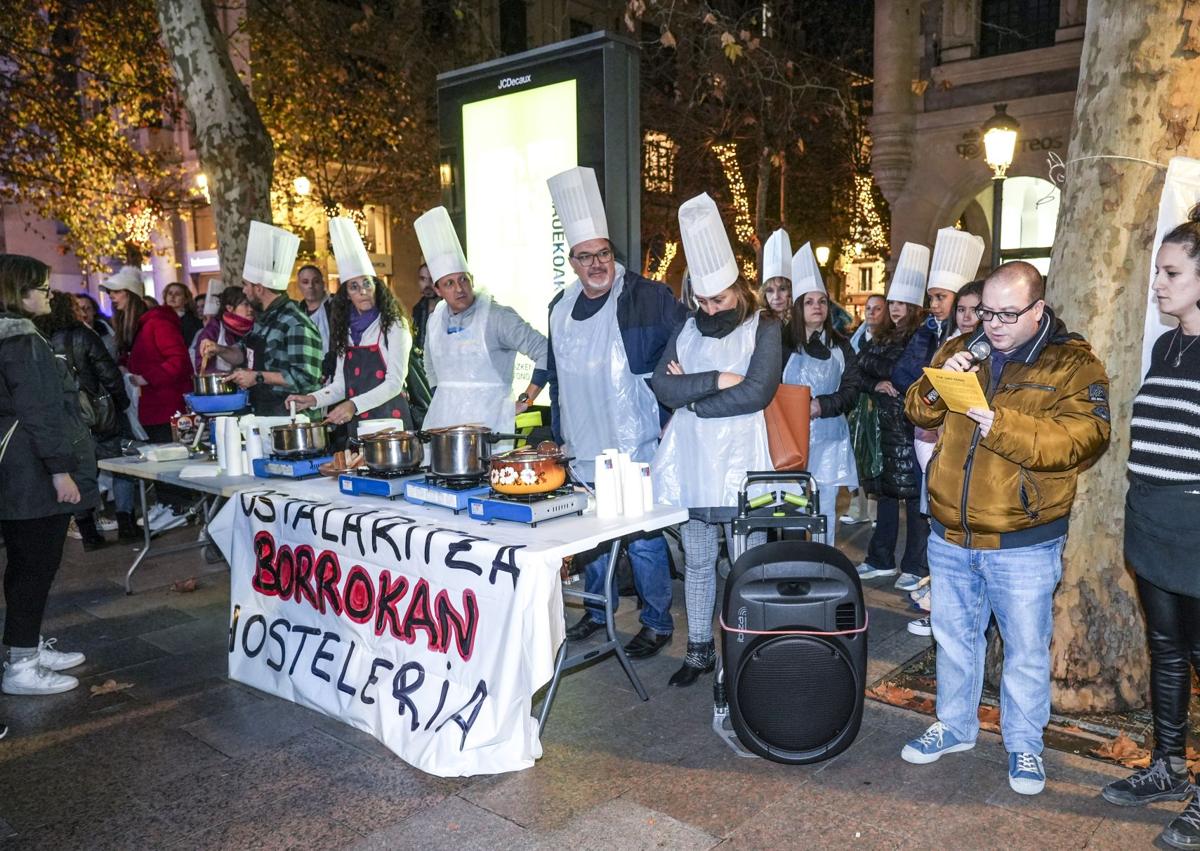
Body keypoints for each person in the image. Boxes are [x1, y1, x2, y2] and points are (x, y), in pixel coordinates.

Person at [899, 261, 1111, 797]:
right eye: (987, 312)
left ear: (1038, 309)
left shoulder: (1072, 365)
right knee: (953, 639)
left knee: (1023, 650)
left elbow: (1084, 440)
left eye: (1007, 314)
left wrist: (1001, 422)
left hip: (1023, 538)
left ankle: (1023, 745)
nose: (992, 324)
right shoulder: (961, 348)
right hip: (950, 531)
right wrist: (940, 380)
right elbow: (917, 411)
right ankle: (955, 725)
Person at [546, 165, 686, 659]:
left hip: (633, 441)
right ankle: (596, 610)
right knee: (592, 537)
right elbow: (558, 377)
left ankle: (656, 621)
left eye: (604, 254)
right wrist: (557, 432)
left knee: (642, 539)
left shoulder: (647, 296)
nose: (597, 263)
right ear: (573, 261)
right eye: (586, 257)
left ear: (612, 255)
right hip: (581, 443)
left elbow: (680, 345)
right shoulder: (558, 308)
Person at [652, 192, 782, 687]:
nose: (709, 308)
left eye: (719, 299)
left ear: (738, 287)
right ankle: (700, 649)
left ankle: (747, 656)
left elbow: (756, 392)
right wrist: (715, 380)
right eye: (702, 300)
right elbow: (662, 383)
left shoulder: (765, 324)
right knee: (699, 561)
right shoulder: (686, 325)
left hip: (743, 460)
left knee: (748, 563)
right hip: (691, 461)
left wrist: (692, 395)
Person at [1100, 207, 1200, 849]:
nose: (1158, 284)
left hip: (1196, 525)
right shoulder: (1168, 344)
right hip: (1152, 519)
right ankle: (1168, 766)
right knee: (1166, 648)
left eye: (1170, 273)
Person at [0, 254, 94, 696]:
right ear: (18, 294)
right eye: (41, 288)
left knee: (26, 565)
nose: (48, 294)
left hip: (17, 469)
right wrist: (60, 470)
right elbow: (40, 412)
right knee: (35, 566)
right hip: (31, 472)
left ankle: (26, 647)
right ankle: (22, 664)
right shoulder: (23, 341)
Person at [889, 229, 985, 604]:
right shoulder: (935, 337)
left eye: (941, 298)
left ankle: (943, 588)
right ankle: (936, 582)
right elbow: (906, 378)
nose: (938, 306)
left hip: (958, 443)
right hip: (926, 435)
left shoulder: (986, 347)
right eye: (938, 300)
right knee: (931, 515)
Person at [413, 206, 547, 434]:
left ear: (471, 279)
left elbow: (545, 349)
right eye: (449, 283)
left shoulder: (497, 316)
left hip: (489, 427)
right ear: (437, 289)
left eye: (463, 279)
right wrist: (441, 395)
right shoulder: (435, 321)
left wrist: (527, 399)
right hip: (443, 425)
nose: (459, 288)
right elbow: (429, 364)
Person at [855, 245, 931, 618]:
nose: (896, 309)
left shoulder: (922, 336)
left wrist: (885, 374)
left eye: (904, 303)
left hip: (910, 425)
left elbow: (906, 371)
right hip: (885, 426)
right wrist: (877, 381)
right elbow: (862, 366)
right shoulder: (883, 336)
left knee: (915, 500)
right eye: (894, 302)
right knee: (885, 494)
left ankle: (914, 565)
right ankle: (881, 556)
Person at [286, 218, 412, 432]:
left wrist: (353, 404)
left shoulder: (394, 325)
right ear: (347, 295)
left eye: (366, 284)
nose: (362, 291)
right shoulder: (347, 331)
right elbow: (341, 385)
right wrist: (311, 399)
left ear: (377, 287)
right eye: (354, 287)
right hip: (357, 424)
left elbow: (394, 383)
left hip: (390, 424)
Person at [34, 291, 130, 551]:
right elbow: (107, 372)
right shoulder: (84, 335)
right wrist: (121, 402)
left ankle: (87, 530)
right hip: (97, 412)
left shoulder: (40, 339)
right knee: (119, 464)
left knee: (79, 470)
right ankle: (127, 522)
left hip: (65, 415)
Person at [781, 242, 861, 546]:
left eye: (822, 301)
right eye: (810, 301)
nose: (817, 307)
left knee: (824, 506)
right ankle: (792, 559)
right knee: (790, 504)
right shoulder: (782, 343)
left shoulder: (841, 345)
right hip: (788, 439)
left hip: (829, 438)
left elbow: (851, 389)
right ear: (798, 307)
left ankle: (822, 560)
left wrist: (822, 405)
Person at [198, 221, 321, 417]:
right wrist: (218, 349)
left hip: (291, 418)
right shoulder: (263, 319)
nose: (244, 291)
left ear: (259, 288)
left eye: (246, 285)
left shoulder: (295, 322)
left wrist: (258, 377)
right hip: (263, 410)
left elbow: (306, 377)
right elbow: (242, 353)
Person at [103, 270, 191, 443]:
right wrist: (124, 364)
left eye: (117, 291)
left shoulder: (157, 323)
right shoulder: (139, 325)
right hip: (154, 410)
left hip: (167, 411)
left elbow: (179, 360)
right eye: (109, 292)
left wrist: (147, 378)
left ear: (131, 294)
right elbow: (141, 356)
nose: (111, 296)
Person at [841, 292, 889, 526]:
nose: (871, 312)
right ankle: (856, 507)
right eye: (869, 308)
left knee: (875, 456)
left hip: (876, 408)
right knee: (856, 456)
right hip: (857, 407)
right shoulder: (855, 340)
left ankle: (873, 511)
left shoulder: (888, 342)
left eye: (877, 308)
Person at [190, 286, 256, 373]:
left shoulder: (257, 328)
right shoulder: (213, 331)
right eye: (246, 304)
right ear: (229, 308)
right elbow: (203, 368)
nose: (251, 309)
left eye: (252, 304)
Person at [296, 264, 332, 377]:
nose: (310, 286)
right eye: (305, 282)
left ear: (323, 284)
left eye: (315, 281)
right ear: (299, 286)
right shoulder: (296, 313)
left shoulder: (336, 307)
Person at [760, 228, 792, 324]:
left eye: (782, 289)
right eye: (770, 290)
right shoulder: (756, 325)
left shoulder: (803, 323)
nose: (776, 296)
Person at [74, 293, 118, 361]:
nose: (84, 314)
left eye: (87, 308)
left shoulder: (104, 327)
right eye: (79, 309)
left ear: (94, 310)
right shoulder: (73, 334)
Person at [163, 281, 204, 350]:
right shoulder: (159, 318)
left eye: (177, 294)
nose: (172, 296)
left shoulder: (194, 322)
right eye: (170, 293)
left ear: (186, 300)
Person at [411, 262, 440, 352]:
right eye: (423, 279)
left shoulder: (450, 307)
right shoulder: (418, 309)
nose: (427, 284)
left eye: (431, 279)